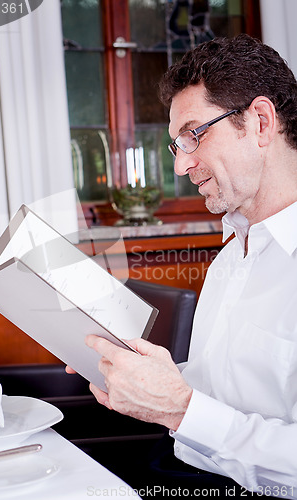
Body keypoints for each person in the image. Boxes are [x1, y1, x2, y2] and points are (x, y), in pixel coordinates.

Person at [69, 34, 297, 498]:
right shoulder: (233, 255)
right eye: (177, 145)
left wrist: (179, 408)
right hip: (188, 476)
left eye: (194, 134)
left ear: (259, 121)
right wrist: (141, 378)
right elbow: (227, 388)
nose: (181, 166)